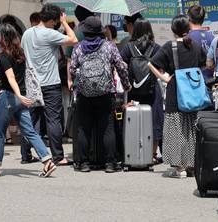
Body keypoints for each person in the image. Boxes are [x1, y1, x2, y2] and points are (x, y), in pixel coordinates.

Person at [0, 24, 56, 178]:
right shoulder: (20, 53)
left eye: (0, 36)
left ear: (3, 38)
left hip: (9, 97)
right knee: (30, 131)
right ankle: (47, 160)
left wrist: (17, 94)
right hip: (22, 98)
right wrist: (22, 96)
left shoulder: (4, 56)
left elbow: (10, 78)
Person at [70, 16, 131, 173]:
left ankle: (83, 163)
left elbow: (72, 69)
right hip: (105, 93)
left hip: (84, 94)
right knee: (107, 128)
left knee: (84, 128)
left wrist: (81, 80)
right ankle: (110, 163)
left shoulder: (78, 48)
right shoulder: (109, 46)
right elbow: (121, 66)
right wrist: (126, 85)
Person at [148, 15, 207, 178]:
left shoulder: (170, 46)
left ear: (173, 30)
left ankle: (179, 168)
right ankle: (192, 165)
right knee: (191, 128)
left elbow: (151, 64)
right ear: (187, 29)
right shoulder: (195, 45)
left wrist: (165, 78)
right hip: (193, 91)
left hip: (176, 89)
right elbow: (206, 62)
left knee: (176, 128)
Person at [20, 4, 78, 166]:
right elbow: (74, 39)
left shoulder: (27, 33)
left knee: (30, 120)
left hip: (32, 83)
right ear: (52, 20)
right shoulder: (50, 34)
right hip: (50, 83)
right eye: (56, 21)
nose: (56, 24)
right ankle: (58, 157)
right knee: (53, 120)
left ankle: (25, 155)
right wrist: (65, 23)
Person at [120, 19, 164, 163]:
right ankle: (151, 154)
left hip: (133, 90)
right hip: (153, 90)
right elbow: (162, 68)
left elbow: (121, 66)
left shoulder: (128, 47)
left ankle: (134, 151)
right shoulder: (156, 48)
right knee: (155, 121)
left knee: (133, 119)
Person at [187, 5, 215, 80]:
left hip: (193, 81)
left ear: (188, 17)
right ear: (203, 19)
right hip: (209, 81)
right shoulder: (212, 37)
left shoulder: (187, 38)